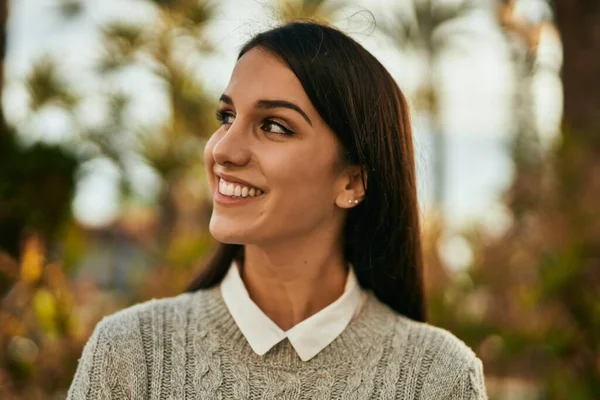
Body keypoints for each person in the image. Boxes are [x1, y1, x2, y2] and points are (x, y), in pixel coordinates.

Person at [68, 21, 487, 399]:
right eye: (227, 116)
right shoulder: (129, 355)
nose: (223, 150)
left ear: (352, 181)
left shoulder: (440, 378)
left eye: (274, 126)